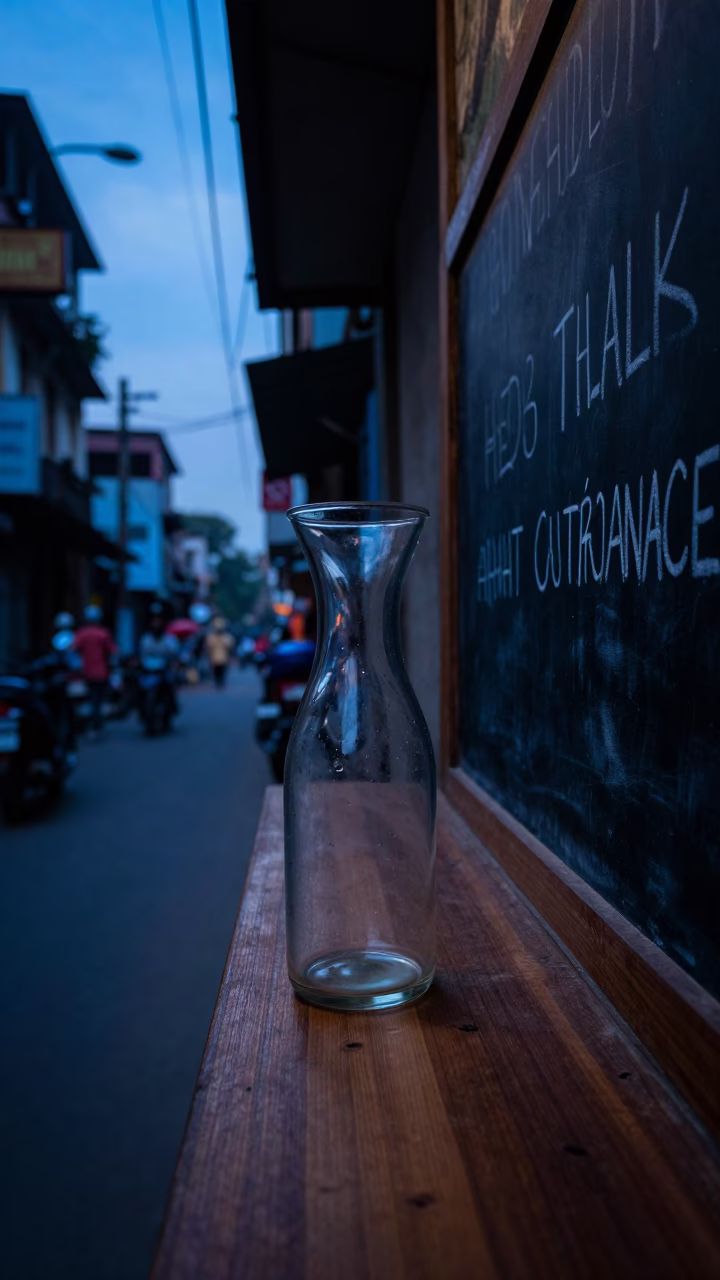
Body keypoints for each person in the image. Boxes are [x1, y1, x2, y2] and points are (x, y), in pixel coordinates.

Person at [72, 604, 116, 735]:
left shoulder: (81, 634)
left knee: (91, 699)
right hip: (100, 672)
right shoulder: (102, 634)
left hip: (85, 672)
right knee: (97, 699)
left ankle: (92, 724)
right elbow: (113, 651)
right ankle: (95, 724)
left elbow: (72, 650)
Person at [139, 605, 180, 711]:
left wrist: (174, 662)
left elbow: (174, 653)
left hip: (164, 670)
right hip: (149, 671)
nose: (156, 624)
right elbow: (142, 654)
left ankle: (171, 706)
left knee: (170, 684)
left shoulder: (169, 639)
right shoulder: (146, 639)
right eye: (154, 621)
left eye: (158, 621)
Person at [204, 615, 234, 688]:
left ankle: (221, 682)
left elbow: (230, 646)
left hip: (223, 657)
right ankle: (218, 682)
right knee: (216, 671)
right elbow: (208, 647)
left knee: (222, 671)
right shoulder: (211, 637)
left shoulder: (226, 637)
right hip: (214, 657)